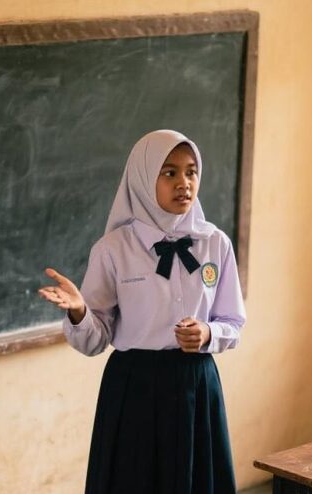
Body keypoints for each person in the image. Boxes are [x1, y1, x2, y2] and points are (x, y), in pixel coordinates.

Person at [38, 129, 246, 494]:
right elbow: (95, 339)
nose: (184, 182)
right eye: (169, 172)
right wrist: (80, 312)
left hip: (196, 383)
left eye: (191, 171)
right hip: (135, 387)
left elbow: (233, 322)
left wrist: (208, 334)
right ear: (142, 177)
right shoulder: (114, 249)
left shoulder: (216, 243)